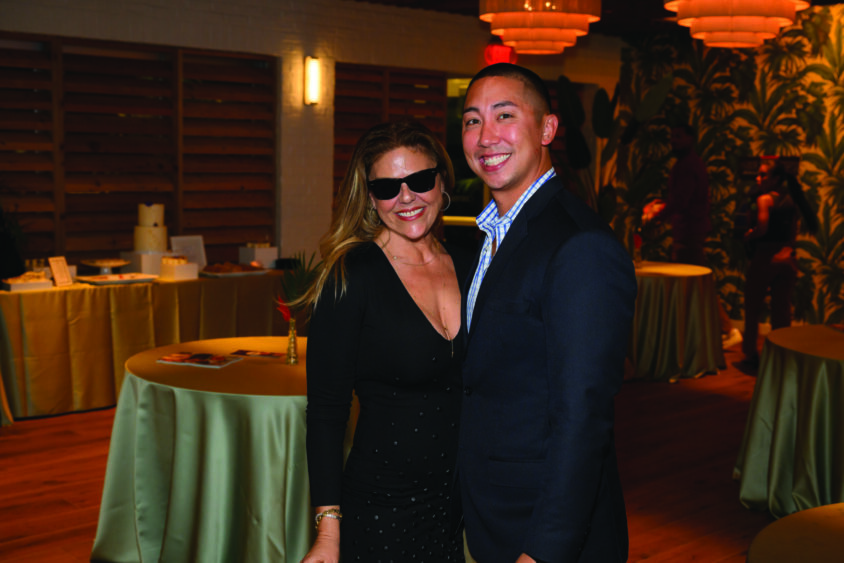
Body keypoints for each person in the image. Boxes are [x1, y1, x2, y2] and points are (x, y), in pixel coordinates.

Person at [458, 63, 637, 562]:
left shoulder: (580, 246)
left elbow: (583, 420)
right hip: (489, 512)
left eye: (505, 115)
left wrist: (543, 551)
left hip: (542, 532)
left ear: (548, 129)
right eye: (472, 120)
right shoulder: (490, 236)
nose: (486, 136)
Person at [300, 120, 469, 563]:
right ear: (370, 198)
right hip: (381, 509)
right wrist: (328, 532)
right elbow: (325, 413)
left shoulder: (472, 264)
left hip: (455, 505)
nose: (407, 197)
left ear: (441, 180)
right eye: (388, 187)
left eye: (419, 180)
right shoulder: (350, 277)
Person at [642, 124, 742, 348]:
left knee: (698, 285)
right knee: (696, 285)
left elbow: (681, 201)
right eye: (672, 136)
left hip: (689, 232)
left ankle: (727, 329)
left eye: (678, 136)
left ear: (690, 138)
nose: (673, 141)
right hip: (689, 231)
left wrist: (656, 216)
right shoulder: (689, 163)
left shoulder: (686, 165)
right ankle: (710, 331)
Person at [737, 159, 819, 373]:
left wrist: (748, 235)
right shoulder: (792, 200)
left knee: (752, 306)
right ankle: (781, 354)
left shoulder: (765, 199)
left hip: (765, 257)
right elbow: (793, 232)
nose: (758, 178)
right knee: (781, 310)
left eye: (763, 175)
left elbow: (762, 228)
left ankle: (750, 353)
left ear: (775, 179)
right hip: (786, 259)